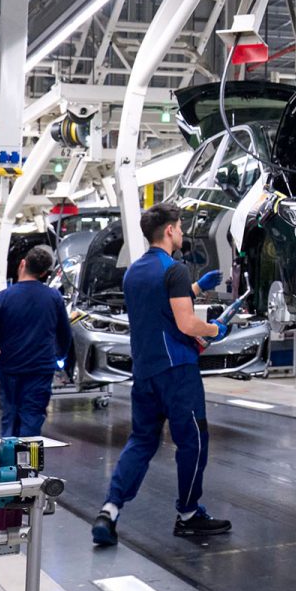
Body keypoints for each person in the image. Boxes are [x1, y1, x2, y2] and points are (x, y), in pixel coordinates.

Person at [91, 203, 232, 547]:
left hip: (146, 372)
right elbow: (185, 323)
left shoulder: (133, 272)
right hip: (177, 372)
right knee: (193, 441)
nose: (182, 233)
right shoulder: (175, 269)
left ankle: (110, 510)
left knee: (141, 441)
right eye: (180, 228)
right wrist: (215, 328)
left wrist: (196, 288)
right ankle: (188, 514)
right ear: (169, 230)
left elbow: (158, 304)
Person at [0, 248, 72, 439]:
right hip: (40, 369)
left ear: (22, 264)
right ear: (44, 273)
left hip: (10, 368)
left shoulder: (2, 298)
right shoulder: (54, 298)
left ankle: (9, 464)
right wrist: (59, 356)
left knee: (9, 417)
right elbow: (65, 334)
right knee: (32, 419)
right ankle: (30, 466)